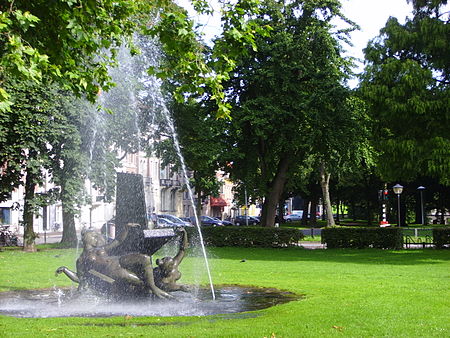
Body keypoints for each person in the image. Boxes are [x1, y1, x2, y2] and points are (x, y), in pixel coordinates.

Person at [56, 223, 172, 299]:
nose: (95, 236)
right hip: (114, 271)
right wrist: (66, 270)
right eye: (91, 235)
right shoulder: (81, 260)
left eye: (95, 235)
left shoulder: (101, 248)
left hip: (120, 260)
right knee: (141, 283)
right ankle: (159, 292)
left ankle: (155, 289)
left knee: (145, 258)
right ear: (84, 238)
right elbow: (80, 278)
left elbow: (117, 241)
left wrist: (126, 228)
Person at [153, 227, 191, 292]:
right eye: (165, 259)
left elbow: (183, 249)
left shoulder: (174, 264)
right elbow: (165, 287)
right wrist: (179, 287)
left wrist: (184, 234)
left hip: (173, 292)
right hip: (161, 296)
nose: (168, 257)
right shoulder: (159, 276)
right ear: (168, 267)